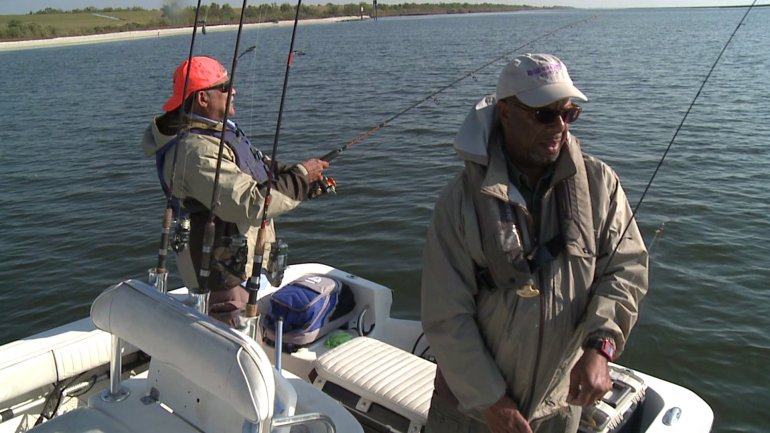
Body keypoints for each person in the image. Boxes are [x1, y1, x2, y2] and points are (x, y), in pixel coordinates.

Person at [420, 53, 648, 433]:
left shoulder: (600, 184)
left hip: (558, 409)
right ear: (506, 114)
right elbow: (446, 316)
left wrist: (601, 345)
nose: (559, 126)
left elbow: (625, 269)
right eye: (545, 114)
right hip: (471, 412)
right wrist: (493, 403)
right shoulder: (459, 202)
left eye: (569, 113)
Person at [142, 56, 329, 325]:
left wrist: (303, 178)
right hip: (224, 278)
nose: (234, 91)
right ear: (203, 99)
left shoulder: (220, 131)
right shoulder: (195, 151)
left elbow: (259, 166)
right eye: (225, 86)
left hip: (245, 265)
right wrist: (300, 177)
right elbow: (251, 203)